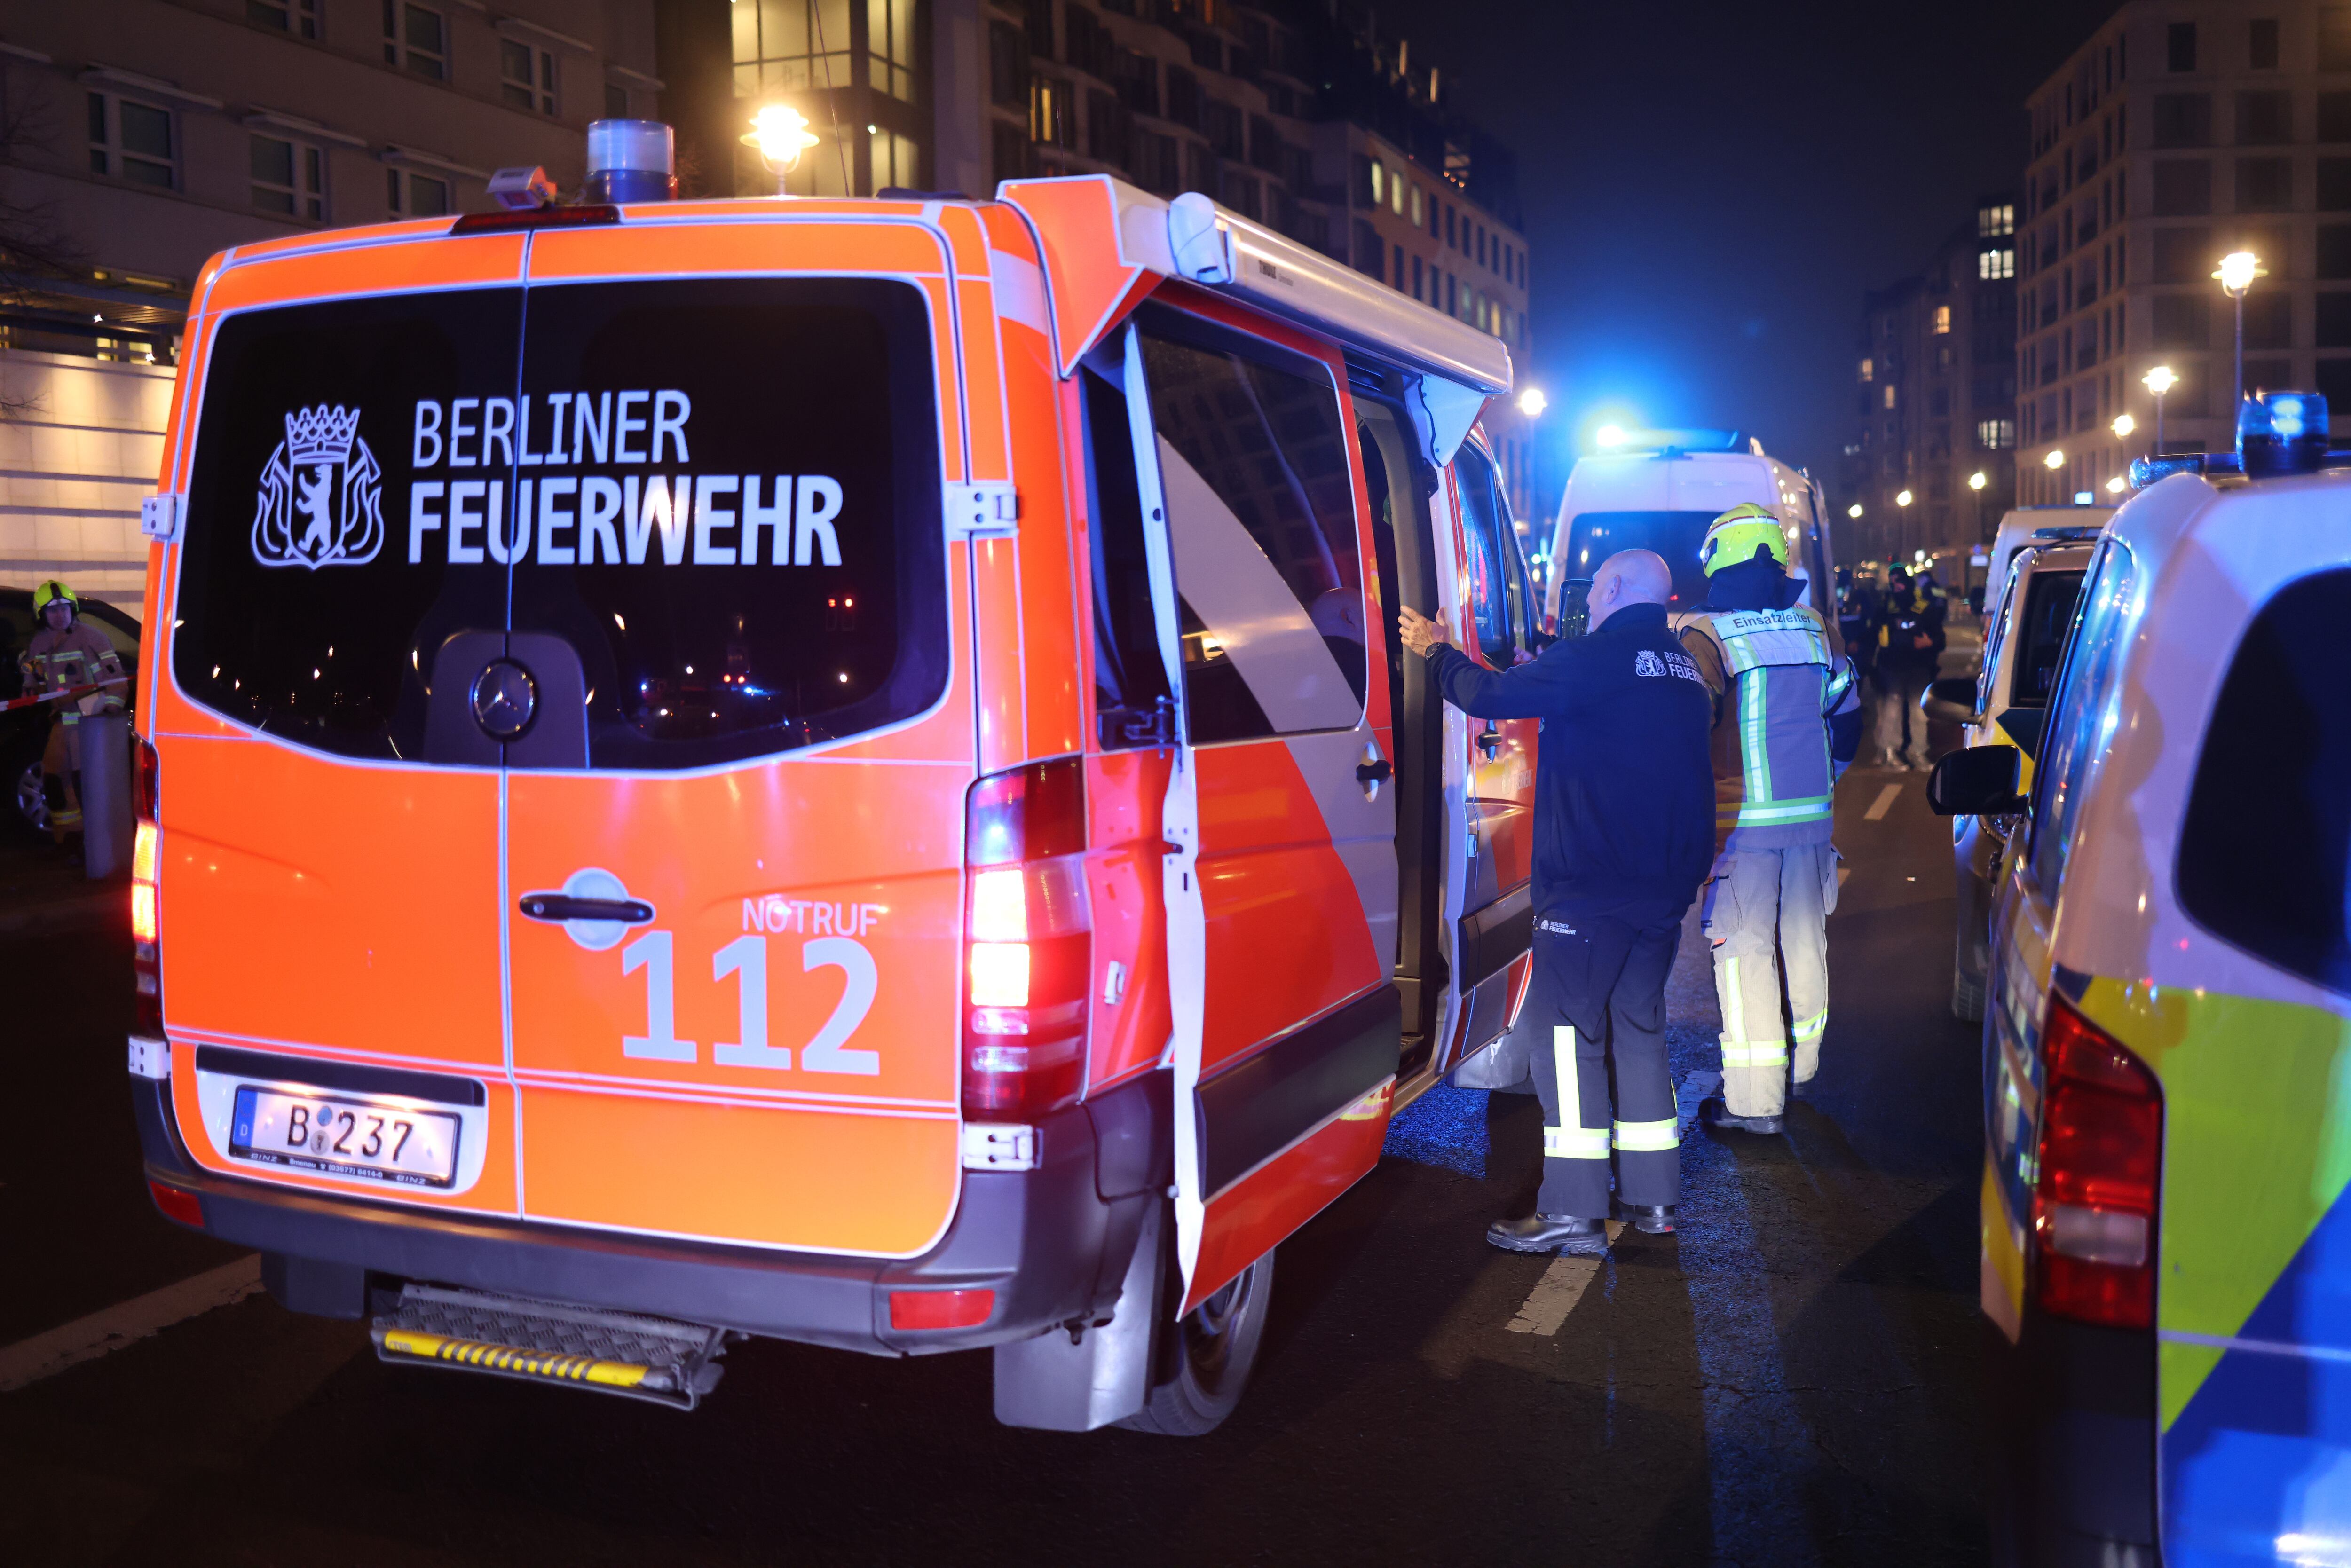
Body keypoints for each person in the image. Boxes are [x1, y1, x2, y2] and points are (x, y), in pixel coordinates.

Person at [1398, 549, 1712, 1256]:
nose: (1591, 602)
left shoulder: (1595, 656)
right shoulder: (1685, 669)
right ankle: (1654, 1198)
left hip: (1590, 889)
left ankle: (1572, 1210)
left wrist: (1437, 650)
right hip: (1660, 891)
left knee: (1565, 1041)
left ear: (1612, 589)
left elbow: (1489, 696)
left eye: (1596, 590)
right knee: (1640, 1031)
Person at [1679, 504, 1862, 1135]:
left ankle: (1756, 1104)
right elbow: (1848, 720)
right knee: (1806, 943)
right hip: (1812, 827)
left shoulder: (1707, 636)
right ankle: (1803, 1068)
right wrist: (1825, 781)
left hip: (1742, 833)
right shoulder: (1818, 628)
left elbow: (1682, 730)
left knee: (1746, 955)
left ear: (1717, 560)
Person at [20, 580, 126, 843]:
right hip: (61, 724)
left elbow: (116, 679)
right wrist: (30, 685)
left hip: (89, 722)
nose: (60, 615)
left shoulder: (92, 637)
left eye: (65, 608)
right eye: (53, 610)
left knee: (86, 782)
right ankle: (70, 838)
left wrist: (111, 707)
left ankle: (99, 842)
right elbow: (35, 676)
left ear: (73, 609)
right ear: (41, 615)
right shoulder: (38, 644)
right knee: (54, 779)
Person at [1869, 566, 1945, 769]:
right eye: (1893, 582)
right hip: (1892, 666)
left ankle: (1918, 752)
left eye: (1900, 581)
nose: (1897, 586)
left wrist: (1930, 643)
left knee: (1919, 713)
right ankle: (1890, 752)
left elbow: (1940, 638)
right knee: (1892, 710)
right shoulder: (1885, 607)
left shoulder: (1924, 607)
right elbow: (1872, 633)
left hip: (1918, 667)